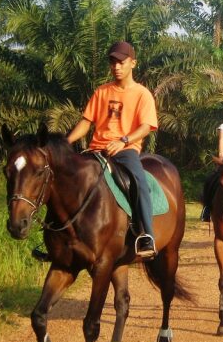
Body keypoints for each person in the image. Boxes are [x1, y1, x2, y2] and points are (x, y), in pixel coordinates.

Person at [66, 41, 158, 259]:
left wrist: (124, 141)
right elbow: (86, 122)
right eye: (112, 62)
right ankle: (58, 235)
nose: (116, 66)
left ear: (132, 63)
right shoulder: (102, 92)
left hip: (125, 150)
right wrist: (66, 141)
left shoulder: (142, 94)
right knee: (65, 178)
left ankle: (146, 234)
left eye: (121, 62)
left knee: (138, 182)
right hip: (96, 149)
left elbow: (146, 126)